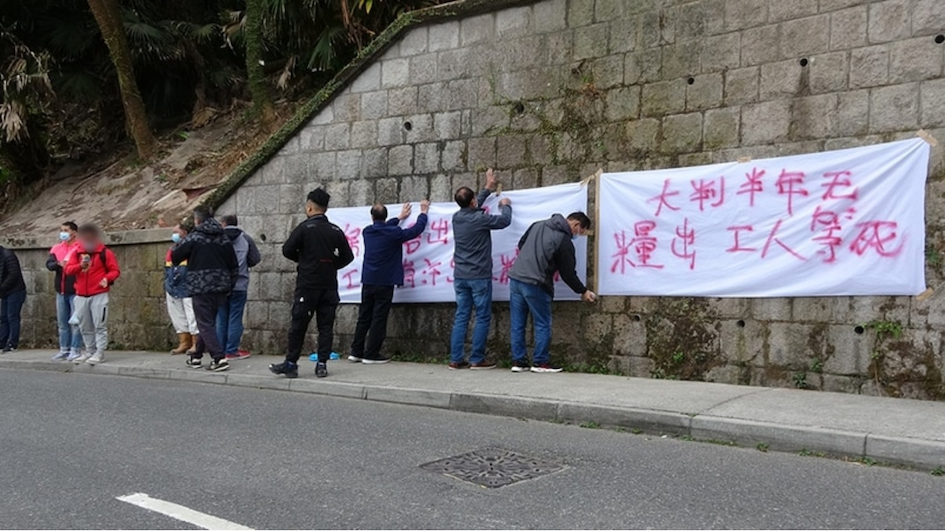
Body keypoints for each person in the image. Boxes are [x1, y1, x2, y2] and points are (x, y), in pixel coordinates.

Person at [270, 188, 354, 379]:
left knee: (298, 325)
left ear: (309, 207)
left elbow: (287, 250)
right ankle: (322, 364)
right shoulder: (335, 230)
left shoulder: (304, 228)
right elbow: (348, 257)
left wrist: (305, 260)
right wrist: (331, 265)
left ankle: (291, 364)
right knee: (326, 327)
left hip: (308, 285)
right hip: (329, 285)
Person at [508, 212, 597, 373]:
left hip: (516, 278)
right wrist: (583, 291)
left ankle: (519, 361)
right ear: (576, 225)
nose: (578, 234)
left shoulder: (538, 224)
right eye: (581, 231)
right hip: (536, 282)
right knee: (542, 323)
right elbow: (568, 274)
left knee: (517, 323)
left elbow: (522, 244)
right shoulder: (564, 240)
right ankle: (540, 362)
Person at [348, 200, 430, 365]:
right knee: (379, 317)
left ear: (372, 217)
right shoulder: (394, 233)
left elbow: (382, 226)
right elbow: (415, 230)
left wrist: (399, 217)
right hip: (384, 281)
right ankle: (371, 353)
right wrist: (423, 213)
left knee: (364, 317)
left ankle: (356, 351)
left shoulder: (367, 231)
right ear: (385, 217)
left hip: (368, 280)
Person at [448, 168, 511, 370]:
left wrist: (487, 188)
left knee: (461, 316)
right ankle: (477, 358)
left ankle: (456, 359)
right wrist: (506, 206)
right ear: (473, 202)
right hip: (479, 276)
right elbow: (504, 221)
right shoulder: (480, 219)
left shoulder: (456, 218)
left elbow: (472, 207)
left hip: (460, 276)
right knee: (482, 316)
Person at [172, 205, 238, 372]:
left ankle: (219, 358)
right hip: (221, 286)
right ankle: (196, 356)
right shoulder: (223, 238)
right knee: (207, 322)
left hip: (200, 286)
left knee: (204, 323)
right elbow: (233, 265)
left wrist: (177, 243)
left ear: (197, 220)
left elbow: (176, 257)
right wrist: (229, 284)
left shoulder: (194, 237)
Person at [65, 224, 120, 364]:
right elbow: (68, 270)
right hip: (81, 294)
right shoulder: (76, 253)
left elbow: (114, 270)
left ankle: (100, 352)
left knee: (99, 325)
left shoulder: (104, 252)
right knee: (84, 326)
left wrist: (107, 279)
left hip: (98, 293)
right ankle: (89, 350)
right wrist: (80, 266)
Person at [217, 214, 261, 360]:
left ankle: (220, 350)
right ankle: (231, 350)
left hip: (221, 285)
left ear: (223, 223)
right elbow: (255, 258)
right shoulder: (245, 238)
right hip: (239, 284)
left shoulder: (216, 238)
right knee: (235, 317)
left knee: (221, 318)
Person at [47, 221, 82, 361]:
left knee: (76, 322)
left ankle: (75, 349)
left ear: (74, 232)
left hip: (75, 290)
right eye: (61, 230)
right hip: (60, 291)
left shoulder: (80, 248)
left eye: (66, 230)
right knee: (62, 323)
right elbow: (49, 264)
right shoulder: (56, 248)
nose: (63, 233)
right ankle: (64, 349)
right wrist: (58, 264)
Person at [165, 221, 199, 355]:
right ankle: (184, 342)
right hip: (173, 286)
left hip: (187, 286)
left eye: (176, 232)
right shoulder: (172, 249)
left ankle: (196, 342)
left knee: (192, 316)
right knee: (178, 316)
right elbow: (167, 267)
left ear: (184, 232)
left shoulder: (191, 247)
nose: (173, 235)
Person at [0, 244, 27, 353]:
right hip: (5, 291)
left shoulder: (8, 255)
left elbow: (13, 274)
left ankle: (12, 343)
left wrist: (2, 287)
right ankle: (2, 342)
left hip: (16, 290)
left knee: (12, 316)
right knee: (3, 317)